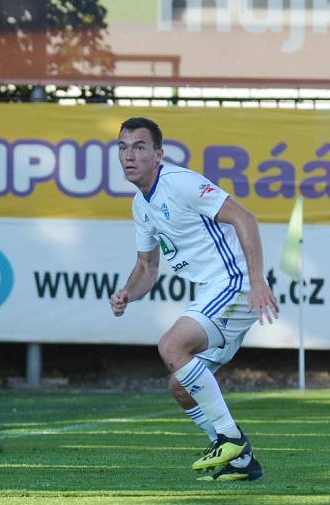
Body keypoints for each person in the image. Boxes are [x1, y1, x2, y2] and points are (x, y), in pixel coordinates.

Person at [110, 117, 279, 482]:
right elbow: (146, 267)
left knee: (171, 345)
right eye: (123, 147)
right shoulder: (142, 206)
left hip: (233, 284)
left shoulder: (179, 182)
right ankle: (240, 461)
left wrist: (255, 282)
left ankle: (231, 439)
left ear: (158, 154)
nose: (129, 156)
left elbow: (245, 218)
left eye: (139, 147)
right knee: (181, 386)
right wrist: (127, 293)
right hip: (214, 292)